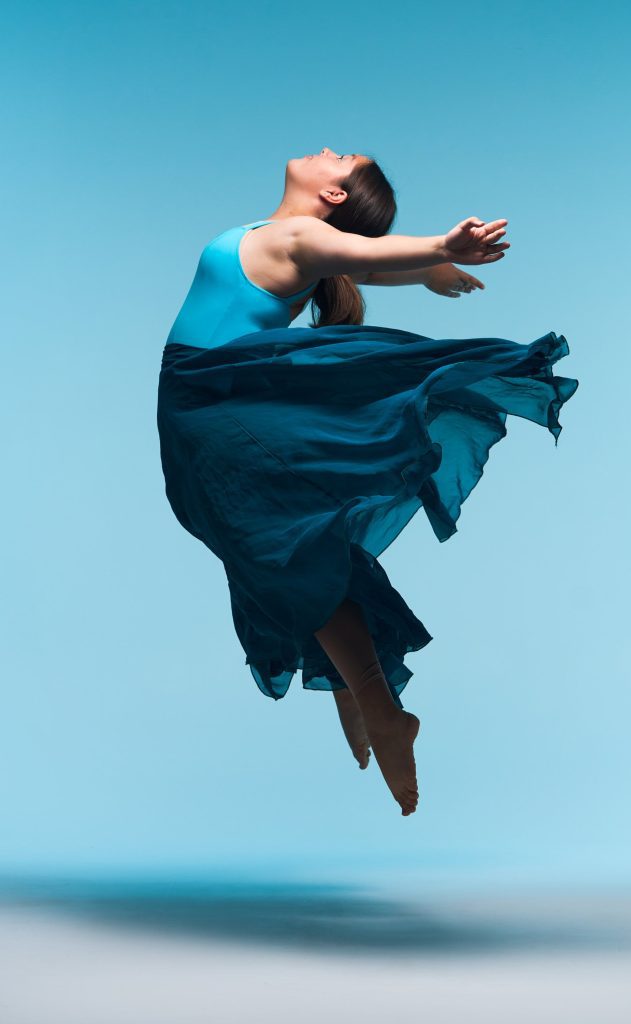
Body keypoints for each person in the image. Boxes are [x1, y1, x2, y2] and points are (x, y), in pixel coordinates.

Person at [157, 147, 578, 817]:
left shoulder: (298, 234)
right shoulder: (296, 241)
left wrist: (440, 247)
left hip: (212, 397)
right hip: (205, 397)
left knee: (280, 551)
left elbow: (354, 256)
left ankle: (375, 705)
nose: (328, 151)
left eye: (341, 159)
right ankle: (362, 695)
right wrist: (427, 271)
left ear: (330, 196)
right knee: (276, 549)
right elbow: (352, 261)